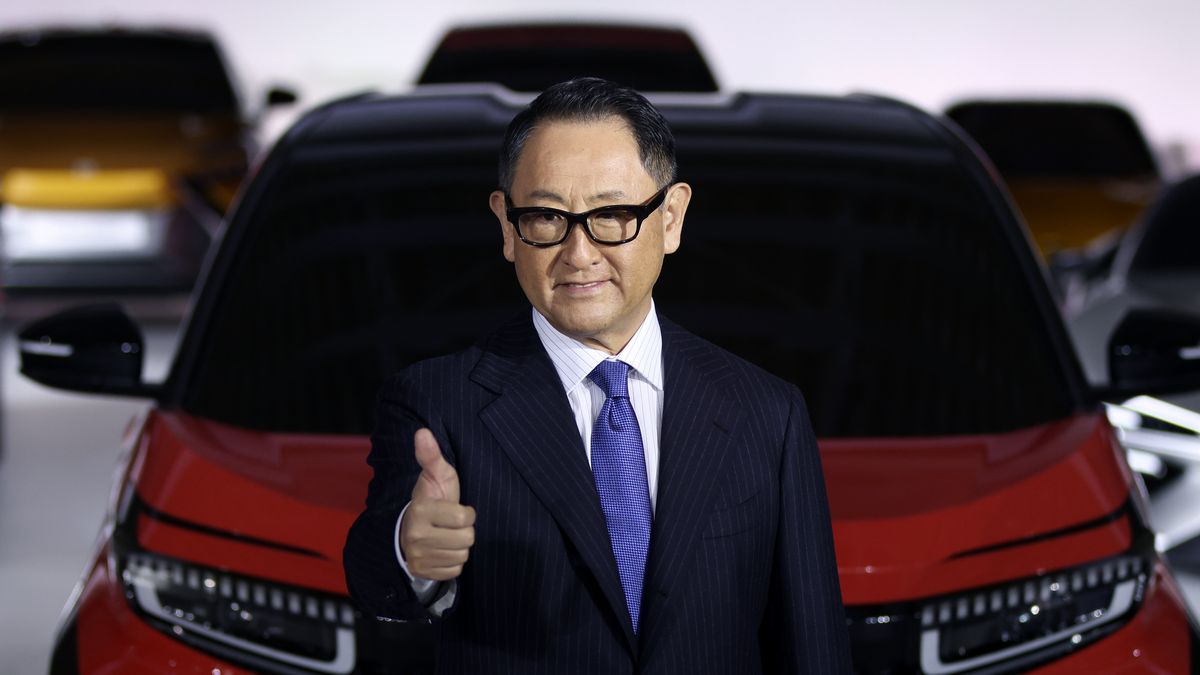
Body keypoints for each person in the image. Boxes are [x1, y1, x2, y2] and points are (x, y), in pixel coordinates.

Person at [343, 77, 851, 674]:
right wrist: (411, 551)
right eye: (545, 217)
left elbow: (812, 645)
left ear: (671, 218)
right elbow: (375, 568)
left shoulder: (767, 411)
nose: (578, 253)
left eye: (611, 215)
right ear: (507, 225)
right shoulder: (436, 403)